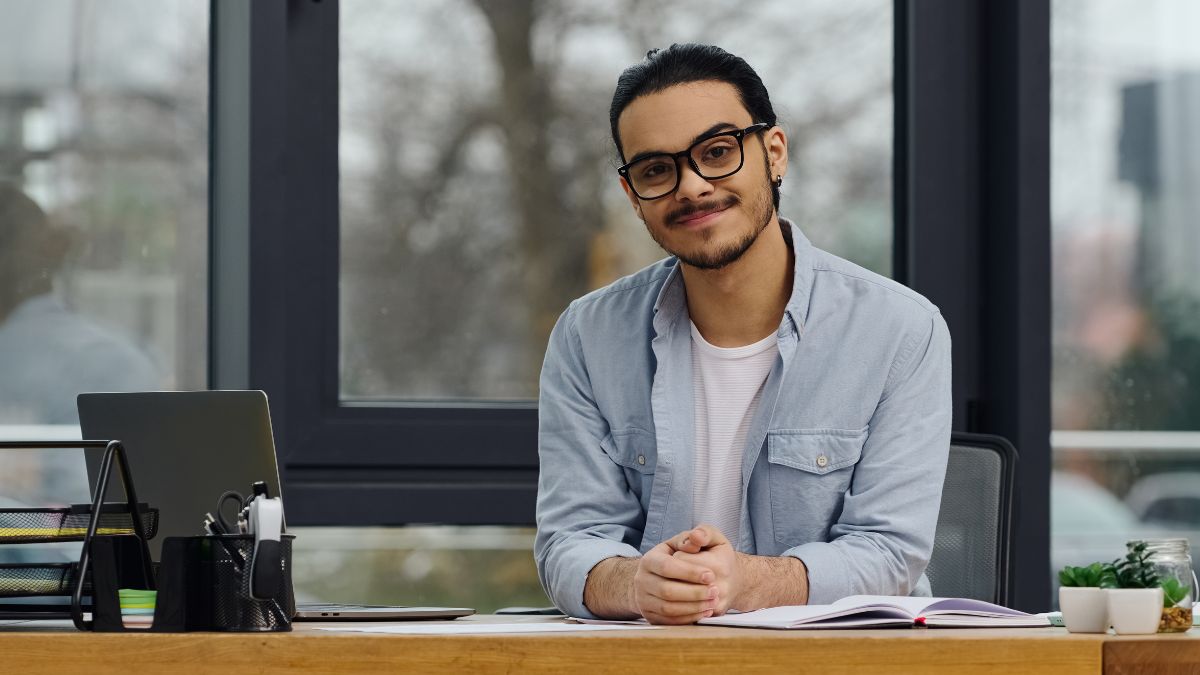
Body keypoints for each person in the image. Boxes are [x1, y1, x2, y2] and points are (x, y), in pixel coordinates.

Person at [534, 44, 952, 624]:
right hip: (654, 663)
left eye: (717, 151)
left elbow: (889, 553)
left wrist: (743, 581)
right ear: (633, 196)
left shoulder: (901, 328)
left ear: (774, 153)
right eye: (657, 169)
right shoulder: (587, 335)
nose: (692, 186)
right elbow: (570, 541)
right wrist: (636, 583)